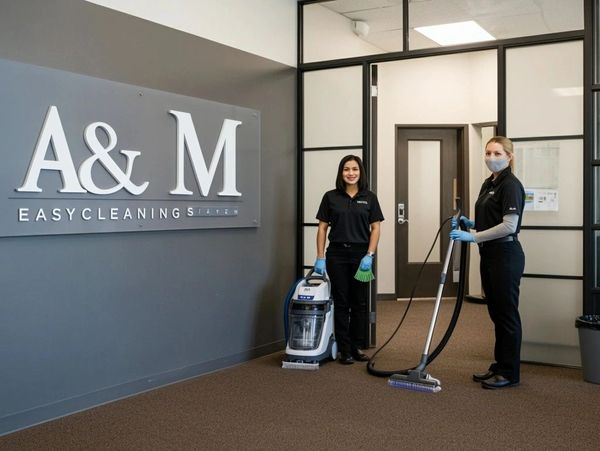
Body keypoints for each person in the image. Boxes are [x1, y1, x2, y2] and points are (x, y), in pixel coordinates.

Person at [450, 136, 525, 389]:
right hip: (490, 254)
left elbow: (508, 225)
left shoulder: (510, 185)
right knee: (496, 313)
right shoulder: (488, 183)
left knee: (506, 315)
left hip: (506, 255)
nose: (491, 158)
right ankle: (499, 364)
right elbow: (492, 217)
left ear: (509, 156)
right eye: (488, 153)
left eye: (497, 153)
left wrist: (472, 236)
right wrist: (472, 223)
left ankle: (509, 373)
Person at [314, 155, 384, 364]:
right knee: (342, 302)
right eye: (346, 169)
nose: (351, 173)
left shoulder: (369, 198)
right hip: (337, 255)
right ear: (341, 172)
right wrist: (320, 257)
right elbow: (322, 228)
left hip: (362, 256)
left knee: (360, 303)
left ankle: (356, 347)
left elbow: (376, 227)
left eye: (355, 169)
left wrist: (369, 255)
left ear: (360, 172)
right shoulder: (330, 197)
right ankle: (344, 349)